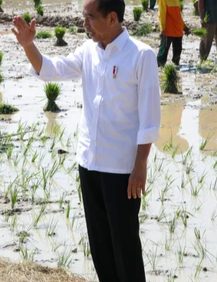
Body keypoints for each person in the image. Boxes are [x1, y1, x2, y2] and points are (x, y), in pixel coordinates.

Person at [11, 0, 161, 281]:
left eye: (90, 17)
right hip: (89, 164)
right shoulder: (89, 52)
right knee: (100, 246)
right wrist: (28, 45)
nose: (85, 24)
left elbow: (150, 117)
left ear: (113, 18)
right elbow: (51, 69)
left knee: (125, 245)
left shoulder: (141, 55)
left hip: (121, 170)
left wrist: (140, 165)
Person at [157, 0, 191, 66]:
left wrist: (184, 27)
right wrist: (162, 29)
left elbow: (178, 15)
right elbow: (162, 14)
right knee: (163, 53)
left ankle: (175, 69)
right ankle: (159, 68)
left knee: (177, 54)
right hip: (168, 29)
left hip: (178, 29)